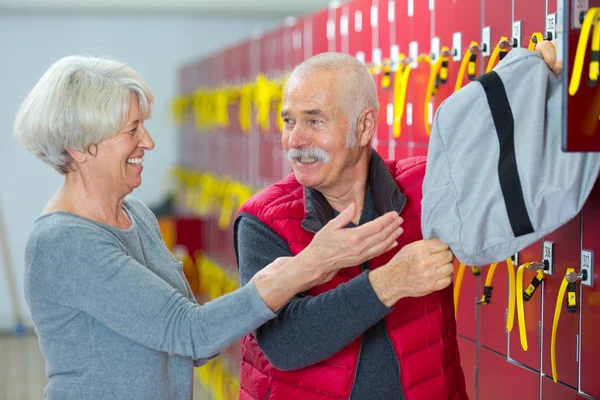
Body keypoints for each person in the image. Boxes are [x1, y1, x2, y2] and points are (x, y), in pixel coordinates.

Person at [14, 55, 403, 400]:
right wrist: (308, 266)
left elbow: (197, 346)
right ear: (80, 147)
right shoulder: (64, 242)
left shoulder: (135, 216)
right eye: (132, 130)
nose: (147, 141)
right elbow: (191, 332)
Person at [235, 41, 561, 400]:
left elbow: (500, 155)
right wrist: (389, 282)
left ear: (364, 126)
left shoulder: (427, 185)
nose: (295, 140)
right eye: (289, 121)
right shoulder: (262, 219)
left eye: (314, 120)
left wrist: (531, 73)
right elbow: (284, 342)